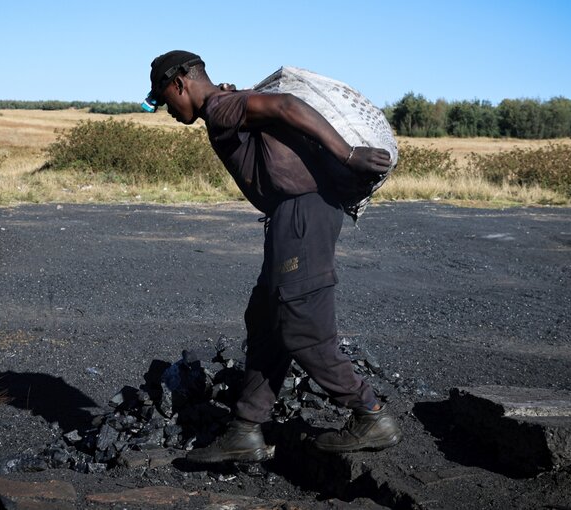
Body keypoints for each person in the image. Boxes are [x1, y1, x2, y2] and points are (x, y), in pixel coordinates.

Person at [144, 50, 401, 463]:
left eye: (163, 99)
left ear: (180, 84)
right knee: (265, 320)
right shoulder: (225, 102)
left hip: (302, 216)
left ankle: (370, 414)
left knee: (300, 325)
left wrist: (346, 154)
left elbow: (285, 105)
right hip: (290, 216)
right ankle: (245, 431)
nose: (167, 111)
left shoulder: (221, 106)